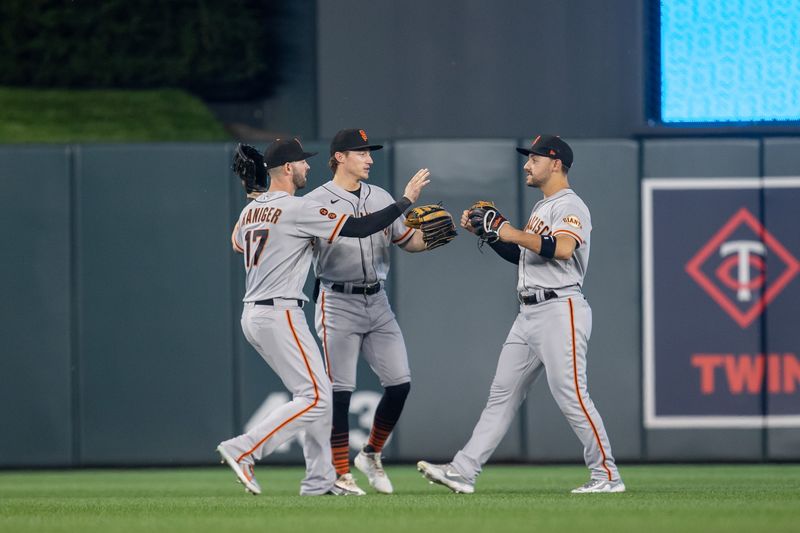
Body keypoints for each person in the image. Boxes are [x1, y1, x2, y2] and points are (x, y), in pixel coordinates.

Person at [217, 138, 430, 496]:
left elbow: (239, 242)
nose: (307, 167)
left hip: (257, 312)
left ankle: (319, 481)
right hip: (279, 310)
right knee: (317, 397)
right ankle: (245, 449)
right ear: (287, 168)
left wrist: (257, 194)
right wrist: (406, 200)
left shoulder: (250, 210)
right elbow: (360, 229)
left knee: (319, 396)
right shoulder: (298, 208)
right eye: (302, 163)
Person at [417, 135, 624, 494]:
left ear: (555, 163)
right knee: (502, 394)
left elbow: (561, 248)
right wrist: (495, 236)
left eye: (534, 159)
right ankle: (463, 471)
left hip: (561, 309)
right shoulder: (543, 208)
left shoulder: (570, 205)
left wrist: (507, 230)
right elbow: (524, 256)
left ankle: (607, 475)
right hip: (528, 313)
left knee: (572, 394)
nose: (527, 165)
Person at [304, 128, 450, 495]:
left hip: (377, 300)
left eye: (369, 153)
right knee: (340, 391)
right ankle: (340, 473)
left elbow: (407, 242)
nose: (369, 158)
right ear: (339, 157)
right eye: (361, 152)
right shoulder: (318, 200)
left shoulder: (379, 196)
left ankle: (370, 454)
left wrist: (433, 238)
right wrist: (406, 200)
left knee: (400, 383)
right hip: (337, 301)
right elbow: (358, 228)